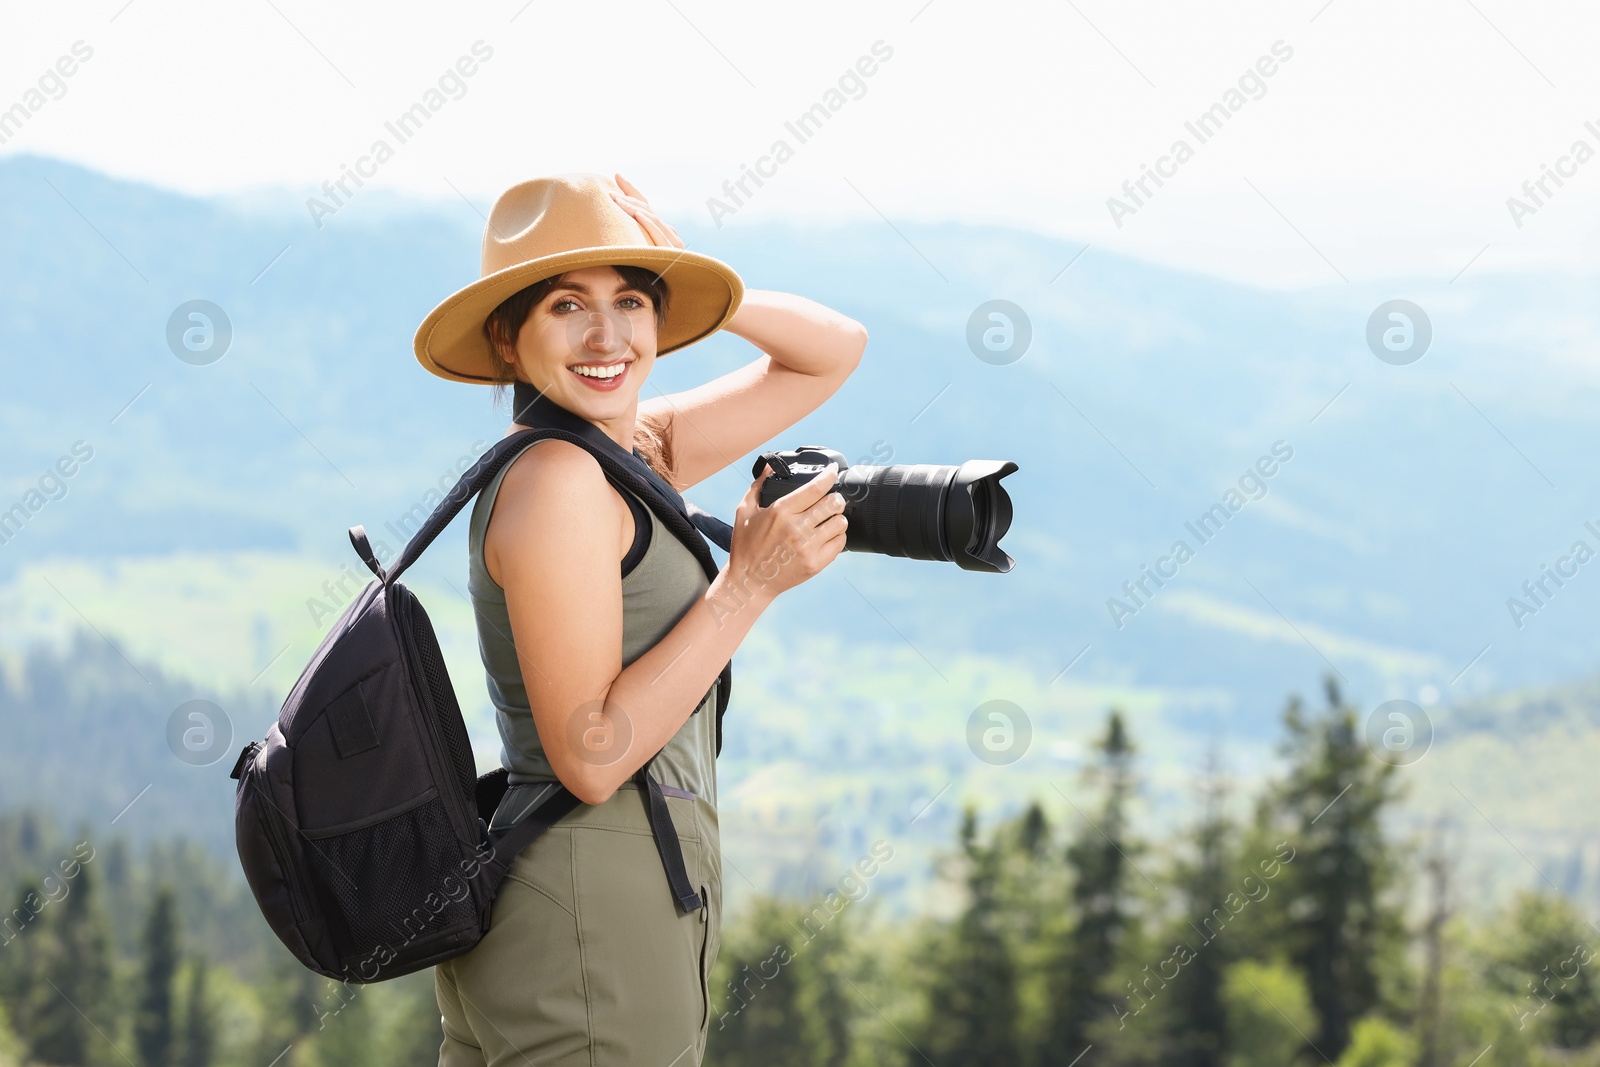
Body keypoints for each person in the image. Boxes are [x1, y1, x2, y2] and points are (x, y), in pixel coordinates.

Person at [411, 171, 867, 1066]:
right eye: (566, 306)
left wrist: (703, 280)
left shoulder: (626, 449)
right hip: (591, 911)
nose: (607, 334)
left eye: (631, 300)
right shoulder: (557, 483)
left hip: (576, 904)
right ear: (508, 336)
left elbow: (832, 350)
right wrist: (747, 585)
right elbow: (588, 753)